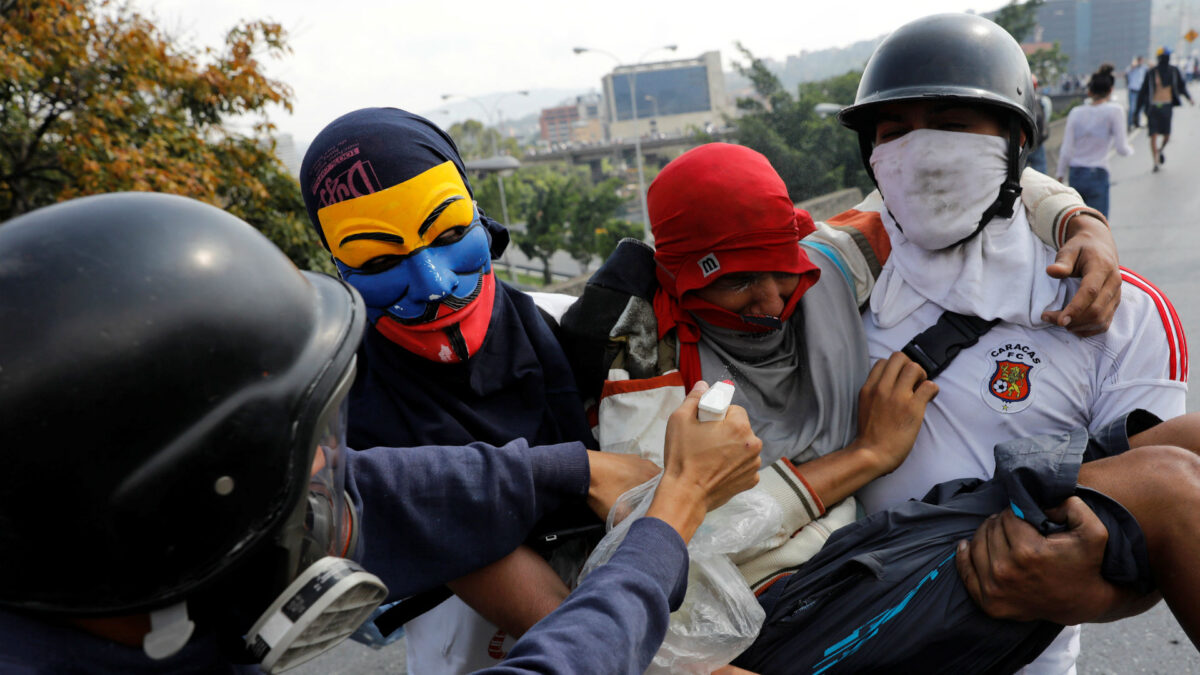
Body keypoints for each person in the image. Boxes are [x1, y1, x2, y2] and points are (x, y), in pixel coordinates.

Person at [0, 191, 764, 675]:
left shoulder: (102, 586)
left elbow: (391, 490)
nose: (339, 467)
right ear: (186, 509)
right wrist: (674, 511)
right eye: (306, 456)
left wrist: (573, 468)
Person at [831, 13, 1186, 674]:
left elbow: (1159, 533)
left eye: (950, 124)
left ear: (1017, 139)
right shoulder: (828, 291)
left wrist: (1097, 595)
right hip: (856, 639)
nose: (920, 150)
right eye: (894, 131)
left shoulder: (1117, 307)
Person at [1056, 64, 1133, 217]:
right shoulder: (1115, 111)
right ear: (1111, 90)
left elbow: (1066, 149)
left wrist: (1059, 175)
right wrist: (1131, 150)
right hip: (1098, 173)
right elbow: (1121, 148)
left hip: (1075, 175)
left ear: (1090, 91)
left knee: (1077, 226)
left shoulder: (1075, 113)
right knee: (1098, 228)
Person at [1137, 46, 1195, 172]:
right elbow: (1143, 92)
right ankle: (1156, 162)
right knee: (1153, 135)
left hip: (1167, 107)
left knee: (1167, 135)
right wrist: (1137, 111)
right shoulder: (1151, 73)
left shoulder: (1173, 71)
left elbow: (1181, 86)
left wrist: (1189, 98)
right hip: (1153, 108)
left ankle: (1160, 150)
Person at [1027, 74, 1053, 174]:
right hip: (1038, 143)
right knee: (1041, 174)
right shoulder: (1043, 101)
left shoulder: (1020, 100)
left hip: (1022, 144)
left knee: (1019, 177)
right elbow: (1047, 118)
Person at [1125, 55, 1148, 130]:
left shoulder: (1144, 68)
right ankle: (1129, 124)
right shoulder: (1131, 68)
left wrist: (1146, 61)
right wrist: (1135, 64)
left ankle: (1137, 123)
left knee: (1140, 108)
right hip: (1133, 90)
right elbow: (1127, 72)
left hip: (1141, 90)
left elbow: (1152, 68)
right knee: (1132, 108)